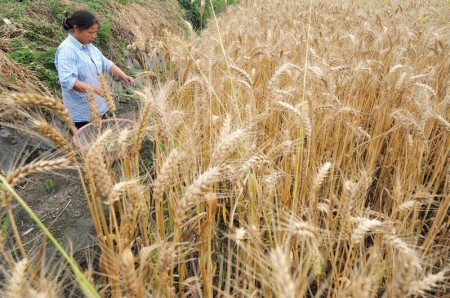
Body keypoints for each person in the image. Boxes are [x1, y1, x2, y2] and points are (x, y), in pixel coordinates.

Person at [55, 10, 135, 129]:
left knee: (104, 140)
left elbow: (106, 63)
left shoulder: (89, 46)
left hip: (99, 106)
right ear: (76, 28)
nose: (94, 36)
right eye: (90, 32)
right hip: (82, 113)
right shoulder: (66, 50)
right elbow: (68, 81)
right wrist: (97, 90)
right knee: (90, 144)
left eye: (95, 32)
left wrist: (124, 76)